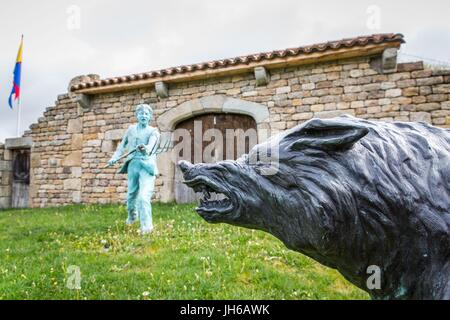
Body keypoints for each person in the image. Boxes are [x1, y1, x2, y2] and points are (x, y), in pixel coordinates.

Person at [108, 104, 160, 235]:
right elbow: (121, 146)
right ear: (137, 116)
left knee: (143, 197)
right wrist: (114, 157)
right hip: (133, 165)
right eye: (141, 113)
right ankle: (132, 216)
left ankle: (147, 228)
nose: (143, 116)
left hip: (147, 167)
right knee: (131, 196)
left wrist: (145, 149)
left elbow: (151, 146)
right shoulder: (131, 130)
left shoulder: (153, 132)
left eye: (146, 114)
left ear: (150, 117)